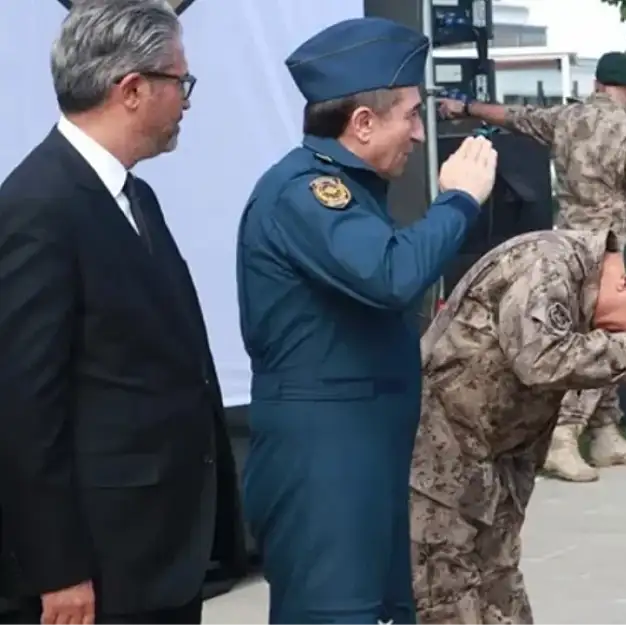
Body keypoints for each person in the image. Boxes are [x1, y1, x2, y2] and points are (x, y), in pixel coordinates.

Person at [235, 17, 497, 625]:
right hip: (325, 472)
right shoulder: (304, 194)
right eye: (409, 114)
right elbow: (390, 275)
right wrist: (457, 199)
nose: (417, 132)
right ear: (361, 124)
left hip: (361, 464)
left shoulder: (348, 192)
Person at [0, 2, 247, 625]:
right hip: (99, 576)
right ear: (132, 89)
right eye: (180, 82)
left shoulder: (135, 195)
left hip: (158, 557)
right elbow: (26, 409)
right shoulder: (40, 207)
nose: (187, 101)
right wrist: (57, 571)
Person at [410, 230, 626, 623]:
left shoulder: (590, 288)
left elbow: (583, 360)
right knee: (444, 594)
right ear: (624, 282)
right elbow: (539, 357)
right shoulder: (548, 264)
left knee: (499, 586)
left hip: (499, 453)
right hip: (442, 446)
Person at [439, 51, 626, 482]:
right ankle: (564, 439)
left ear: (599, 83)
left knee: (585, 339)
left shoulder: (566, 119)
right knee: (596, 347)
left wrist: (465, 108)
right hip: (613, 258)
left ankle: (604, 433)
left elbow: (514, 116)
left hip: (568, 249)